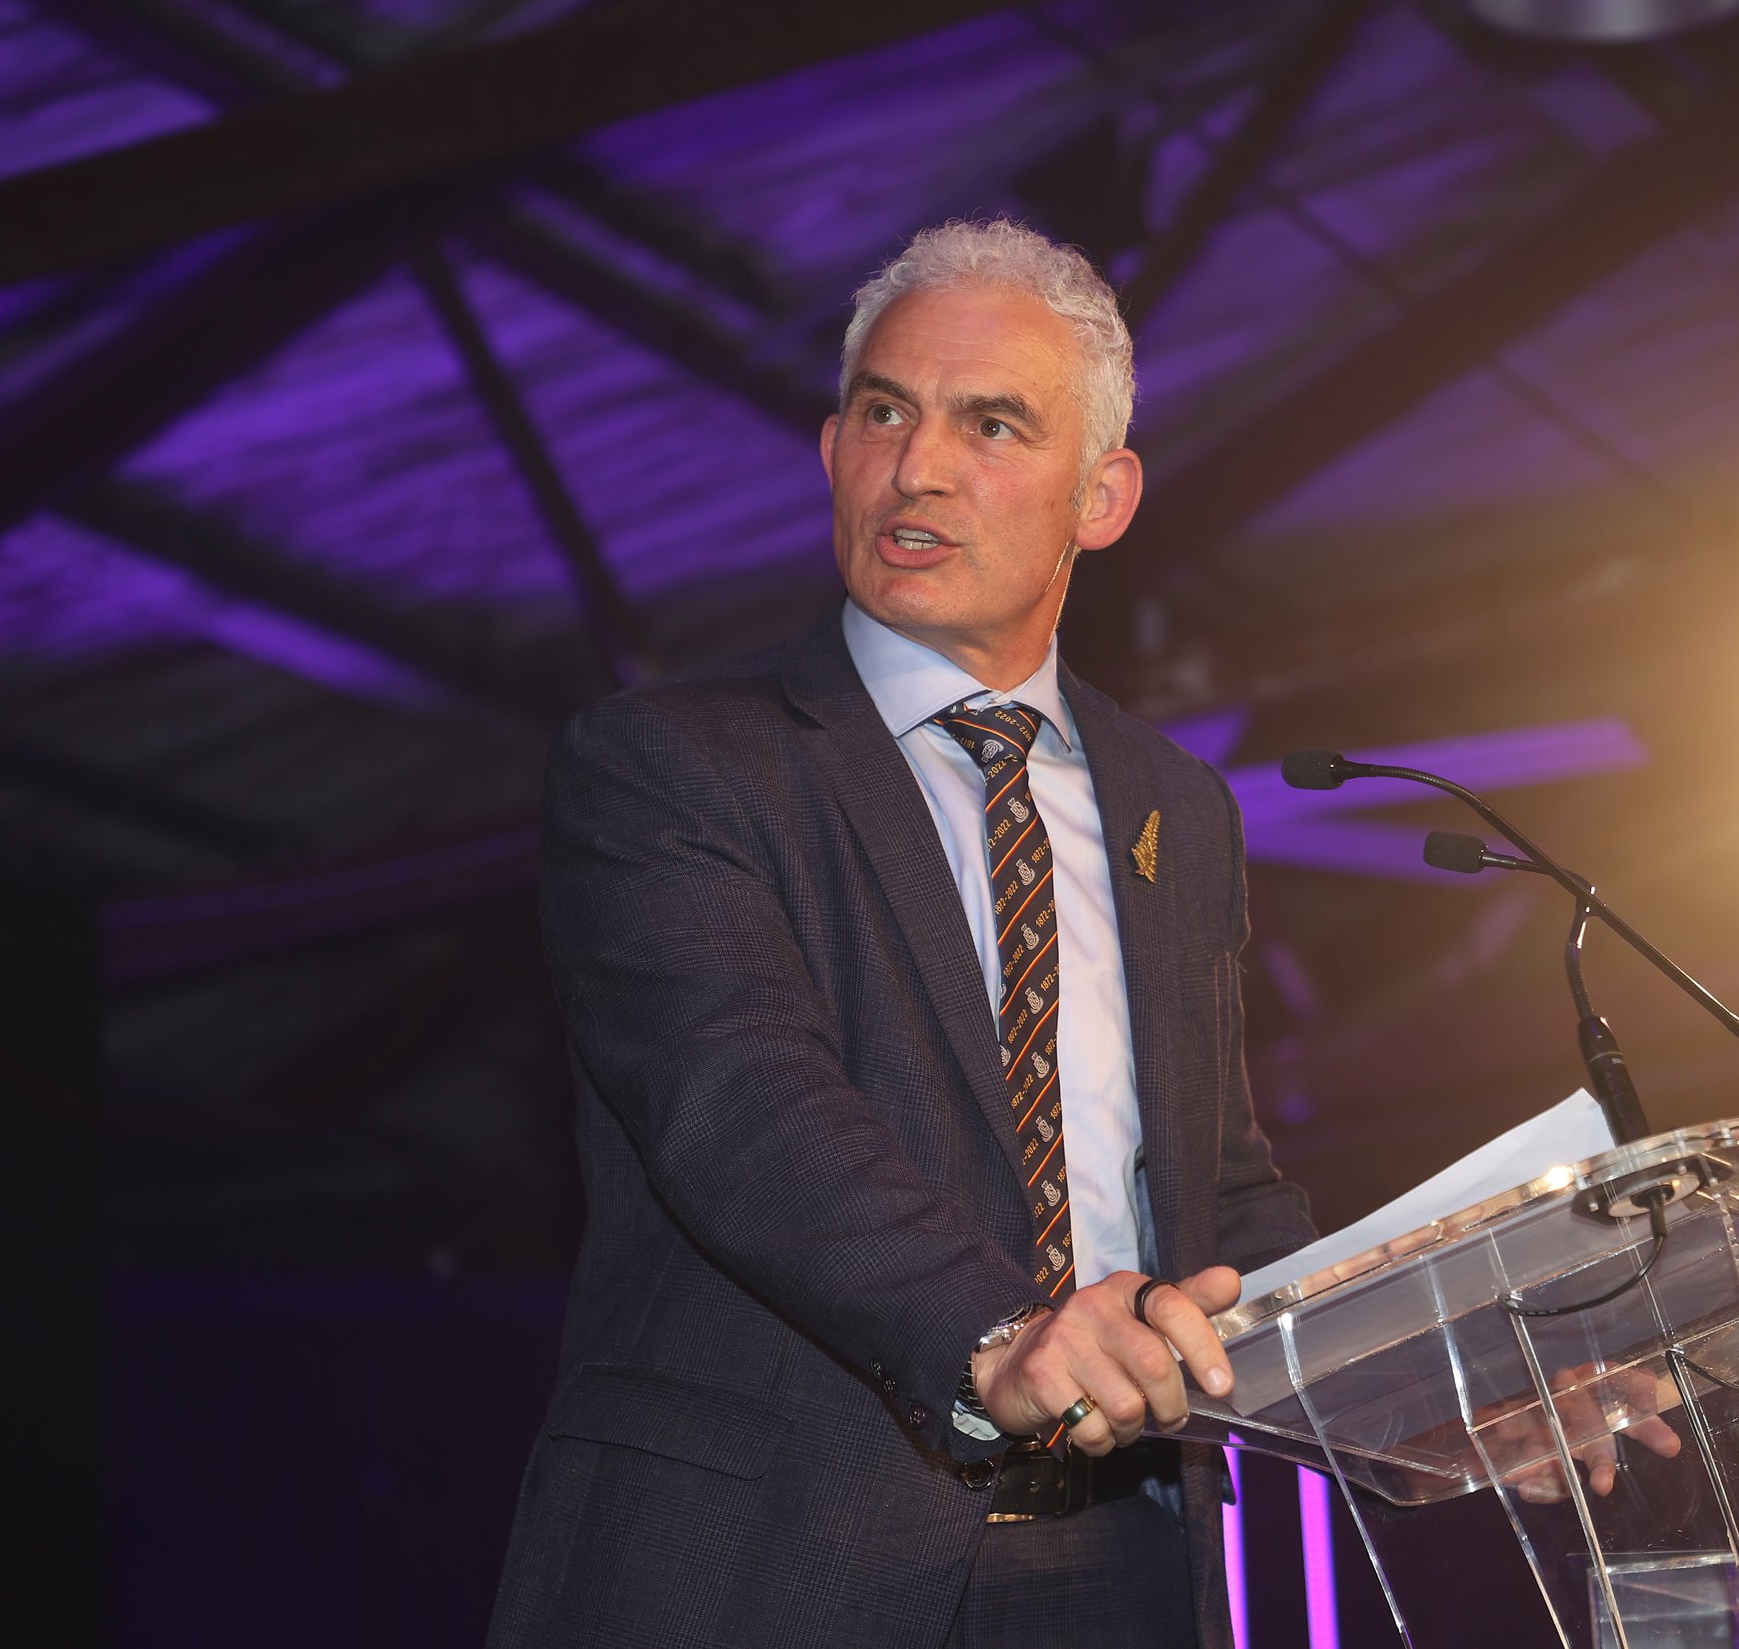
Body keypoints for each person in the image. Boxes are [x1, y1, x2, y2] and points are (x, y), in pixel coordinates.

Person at [486, 217, 1318, 1649]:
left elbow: (1218, 1193)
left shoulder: (1175, 808)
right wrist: (997, 1339)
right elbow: (740, 1101)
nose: (918, 468)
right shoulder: (671, 762)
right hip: (774, 1564)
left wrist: (1462, 1377)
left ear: (1102, 497)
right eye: (885, 412)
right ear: (831, 451)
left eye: (992, 425)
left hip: (1132, 1566)